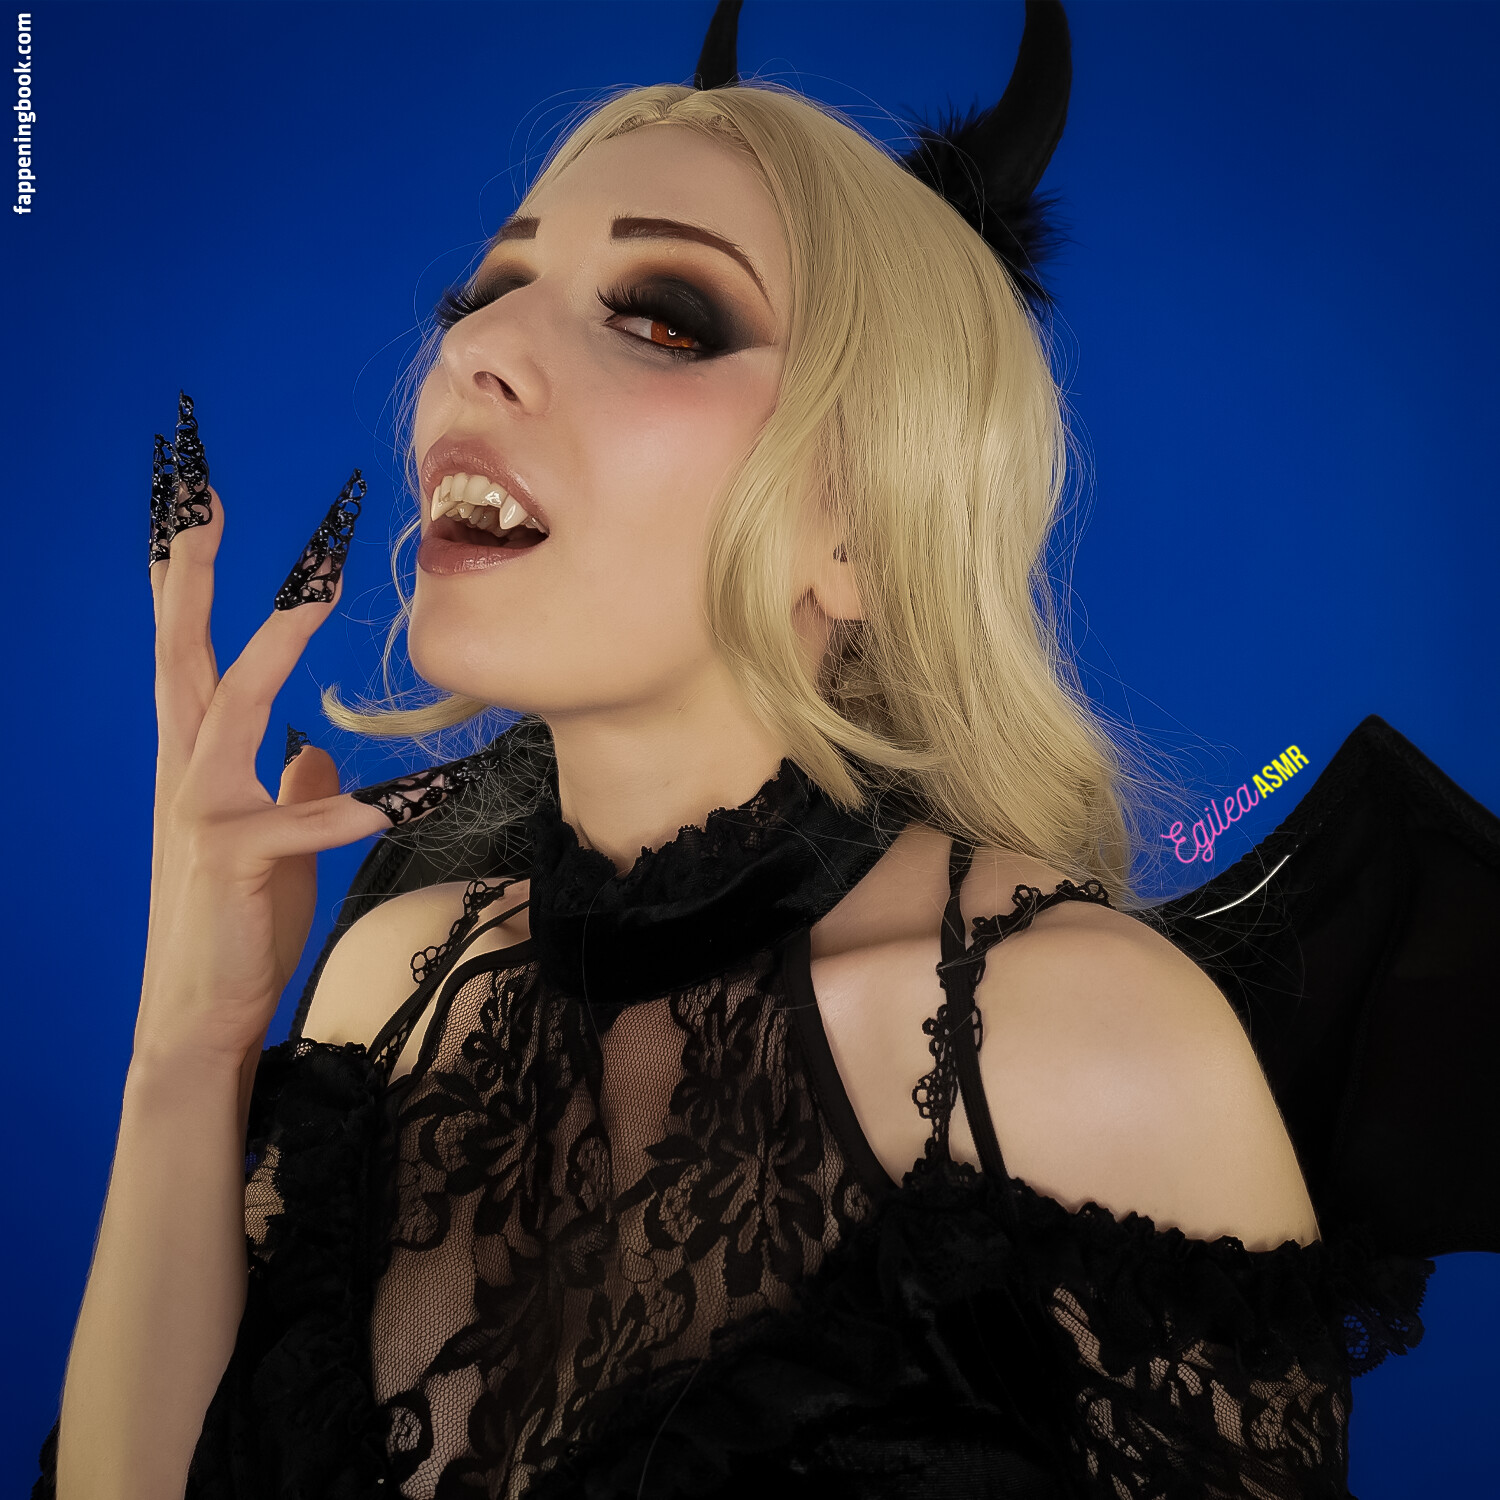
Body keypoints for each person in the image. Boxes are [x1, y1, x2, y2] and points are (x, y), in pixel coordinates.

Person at [35, 3, 1490, 1496]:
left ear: (857, 527)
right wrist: (190, 1048)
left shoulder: (1086, 1046)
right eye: (490, 290)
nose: (476, 346)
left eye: (665, 317)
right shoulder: (390, 993)